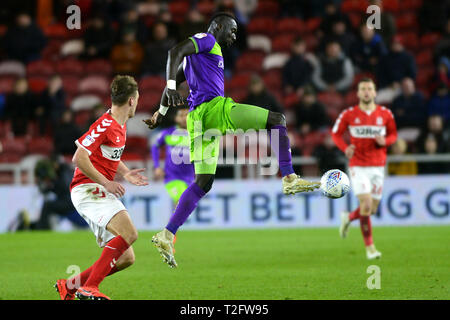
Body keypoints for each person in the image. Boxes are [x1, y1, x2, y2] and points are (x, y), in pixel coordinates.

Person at [143, 12, 320, 268]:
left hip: (196, 120)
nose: (234, 35)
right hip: (214, 109)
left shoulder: (198, 59)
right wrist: (171, 87)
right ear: (218, 26)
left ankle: (167, 234)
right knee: (277, 120)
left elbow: (177, 68)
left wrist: (160, 113)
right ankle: (290, 177)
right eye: (232, 29)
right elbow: (174, 51)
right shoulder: (206, 40)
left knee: (203, 183)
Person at [54, 75, 148, 300]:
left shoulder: (118, 124)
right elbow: (79, 157)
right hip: (87, 188)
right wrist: (106, 182)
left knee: (126, 258)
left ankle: (70, 285)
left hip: (96, 189)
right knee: (130, 233)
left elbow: (108, 155)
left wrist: (125, 172)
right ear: (132, 101)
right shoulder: (105, 124)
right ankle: (90, 287)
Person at [331, 78, 397, 260]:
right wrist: (345, 148)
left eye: (369, 89)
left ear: (375, 93)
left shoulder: (385, 114)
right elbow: (335, 134)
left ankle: (349, 217)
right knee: (366, 205)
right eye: (363, 89)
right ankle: (370, 249)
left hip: (378, 166)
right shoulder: (349, 114)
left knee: (372, 209)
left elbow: (393, 134)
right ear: (358, 93)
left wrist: (387, 142)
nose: (366, 92)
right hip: (358, 166)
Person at [152, 106, 195, 205]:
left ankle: (175, 220)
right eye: (181, 115)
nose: (184, 118)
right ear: (176, 118)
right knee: (181, 201)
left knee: (186, 206)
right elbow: (155, 147)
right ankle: (176, 220)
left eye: (187, 115)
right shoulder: (168, 133)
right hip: (172, 176)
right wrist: (157, 167)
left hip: (190, 177)